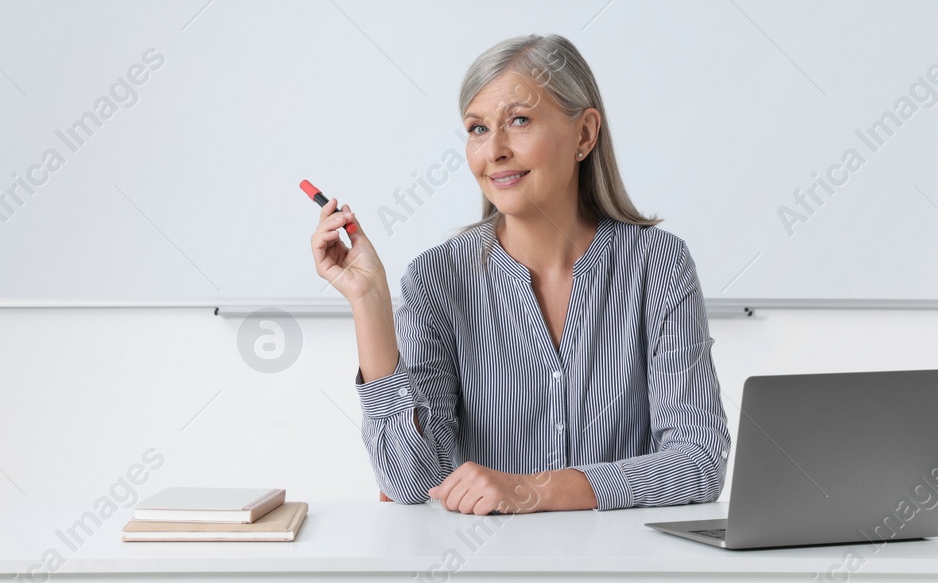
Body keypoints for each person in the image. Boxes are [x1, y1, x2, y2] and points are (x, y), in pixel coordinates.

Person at [309, 34, 728, 515]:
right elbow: (413, 481)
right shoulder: (437, 279)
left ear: (584, 135)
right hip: (487, 576)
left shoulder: (658, 265)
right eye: (477, 129)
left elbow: (699, 463)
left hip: (627, 573)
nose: (495, 150)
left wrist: (537, 491)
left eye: (520, 121)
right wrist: (370, 303)